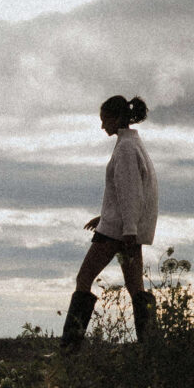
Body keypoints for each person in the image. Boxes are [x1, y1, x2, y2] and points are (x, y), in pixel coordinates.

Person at [61, 94, 159, 351]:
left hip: (118, 231)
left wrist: (125, 228)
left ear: (116, 119)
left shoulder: (126, 148)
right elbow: (128, 192)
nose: (102, 126)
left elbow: (130, 192)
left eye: (104, 120)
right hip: (125, 227)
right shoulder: (133, 145)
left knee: (84, 278)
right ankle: (152, 346)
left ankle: (69, 348)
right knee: (136, 287)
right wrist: (107, 217)